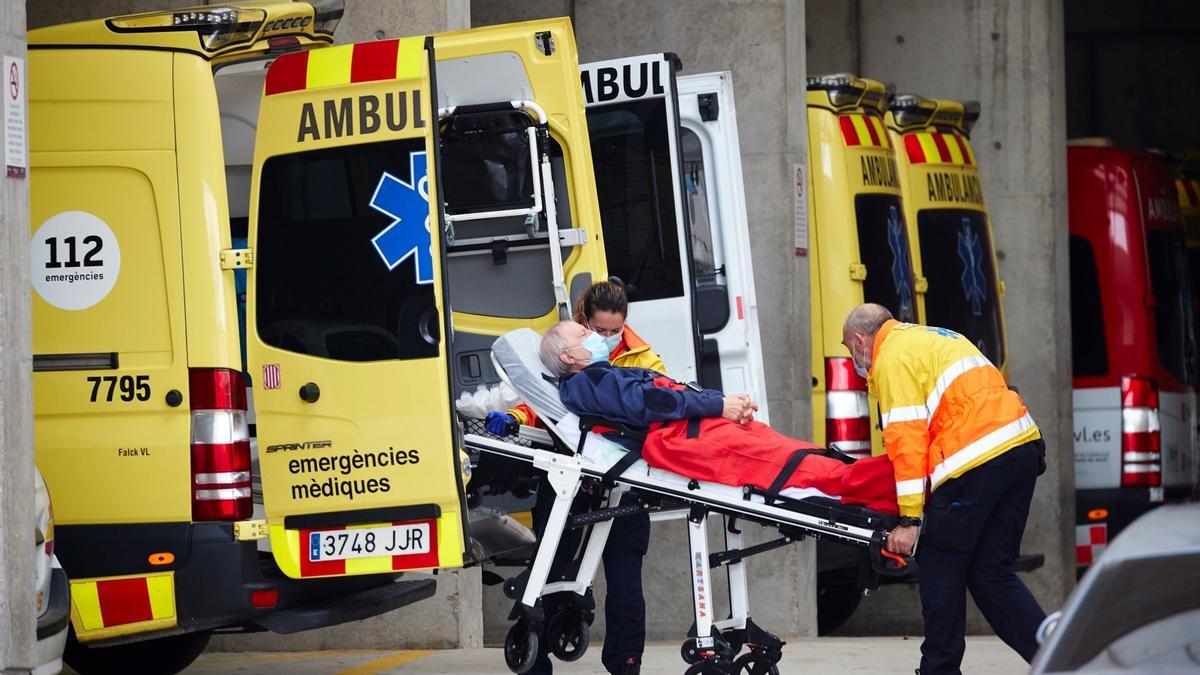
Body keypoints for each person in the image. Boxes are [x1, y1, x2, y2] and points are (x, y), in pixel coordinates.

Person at [841, 303, 1046, 675]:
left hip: (976, 457)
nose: (854, 361)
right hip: (1021, 448)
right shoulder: (934, 337)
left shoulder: (891, 358)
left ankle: (939, 670)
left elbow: (907, 442)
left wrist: (909, 519)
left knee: (940, 562)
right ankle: (1056, 658)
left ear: (860, 341)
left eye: (847, 349)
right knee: (991, 572)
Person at [538, 320, 900, 515]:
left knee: (802, 457)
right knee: (799, 472)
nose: (595, 334)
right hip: (686, 441)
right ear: (569, 357)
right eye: (583, 333)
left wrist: (725, 402)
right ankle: (902, 482)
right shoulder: (583, 384)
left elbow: (673, 390)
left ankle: (899, 481)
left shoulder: (610, 373)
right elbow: (646, 404)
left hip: (700, 429)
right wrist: (717, 407)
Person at [495, 281, 666, 675]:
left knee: (625, 576)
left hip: (623, 479)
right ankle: (535, 657)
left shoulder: (645, 360)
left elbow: (657, 404)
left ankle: (626, 662)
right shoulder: (566, 349)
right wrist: (515, 418)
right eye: (600, 330)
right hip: (568, 476)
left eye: (614, 331)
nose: (607, 338)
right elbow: (538, 401)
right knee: (551, 564)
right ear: (583, 320)